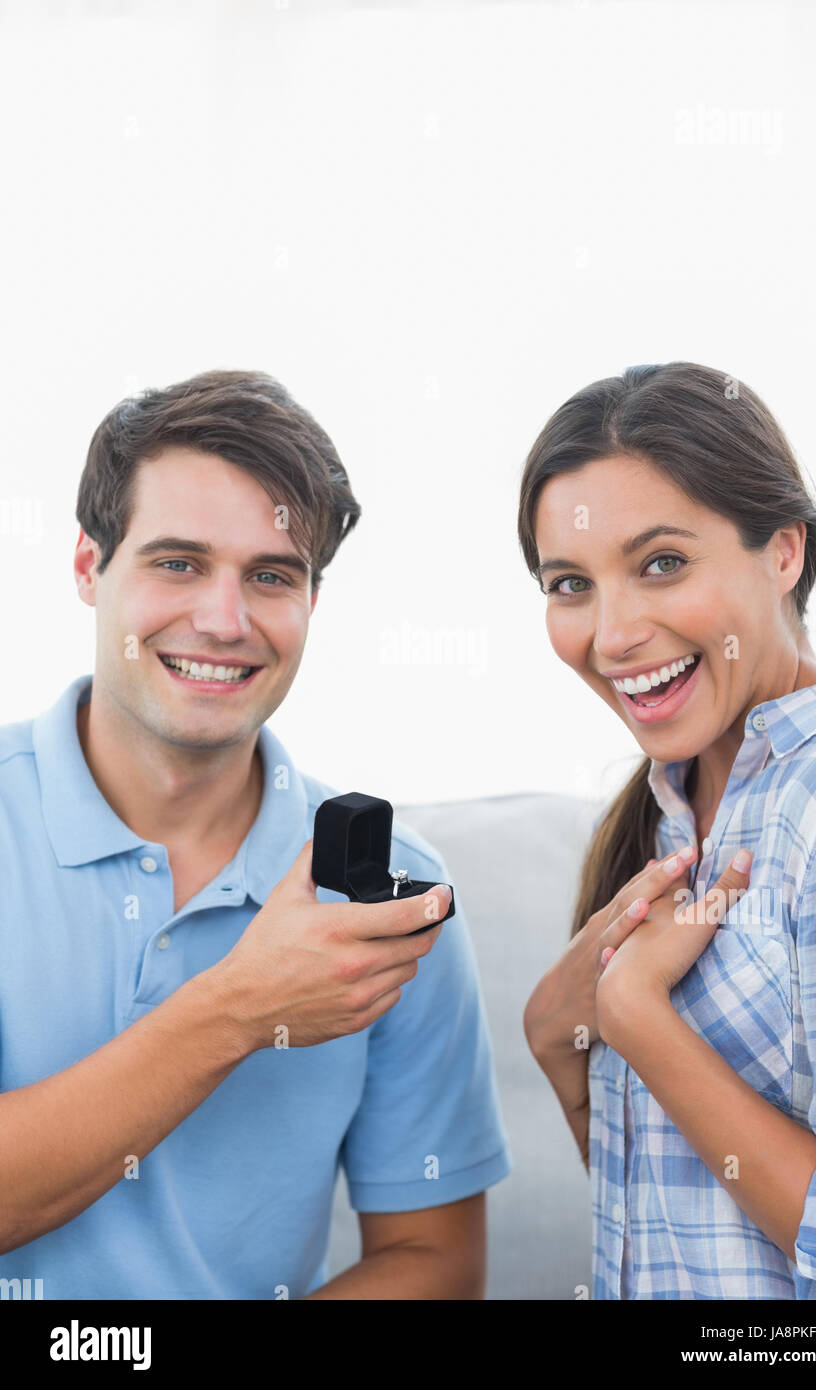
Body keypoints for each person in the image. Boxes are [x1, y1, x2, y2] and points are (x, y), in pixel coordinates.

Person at [0, 368, 510, 1300]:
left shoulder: (398, 897)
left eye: (271, 576)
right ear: (87, 566)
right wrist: (240, 1009)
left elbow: (437, 1263)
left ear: (312, 601)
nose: (224, 620)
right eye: (178, 562)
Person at [521, 362, 816, 1300]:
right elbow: (683, 1225)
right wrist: (560, 1041)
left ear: (784, 550)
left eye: (661, 563)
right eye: (570, 584)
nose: (615, 632)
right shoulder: (667, 807)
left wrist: (636, 1019)